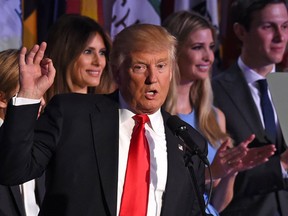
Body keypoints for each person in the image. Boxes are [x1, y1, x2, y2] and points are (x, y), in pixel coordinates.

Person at [0, 24, 208, 216]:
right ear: (117, 72)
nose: (152, 78)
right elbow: (12, 171)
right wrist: (28, 96)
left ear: (171, 72)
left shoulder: (189, 143)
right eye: (140, 67)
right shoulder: (71, 115)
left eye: (161, 66)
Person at [163, 10, 276, 215]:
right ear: (173, 51)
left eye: (211, 47)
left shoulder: (214, 117)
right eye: (198, 47)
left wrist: (231, 172)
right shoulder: (157, 116)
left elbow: (218, 204)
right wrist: (211, 173)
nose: (208, 57)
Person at [212, 0, 288, 215]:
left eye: (285, 26)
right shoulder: (214, 93)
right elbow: (214, 176)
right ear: (240, 31)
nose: (280, 37)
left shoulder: (287, 85)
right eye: (268, 27)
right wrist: (281, 165)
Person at [0, 49, 45, 216]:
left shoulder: (42, 142)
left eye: (41, 90)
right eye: (29, 91)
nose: (40, 101)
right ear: (2, 99)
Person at [44, 14, 116, 103]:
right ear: (65, 55)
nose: (99, 62)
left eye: (102, 52)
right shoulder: (39, 108)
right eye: (88, 51)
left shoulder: (111, 108)